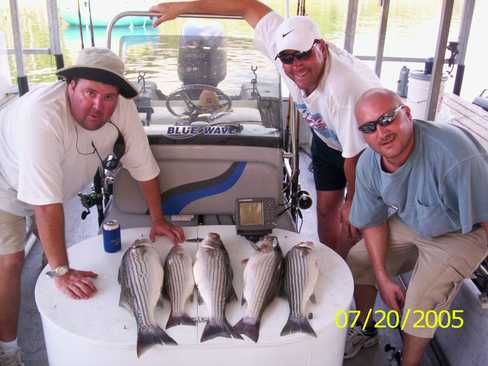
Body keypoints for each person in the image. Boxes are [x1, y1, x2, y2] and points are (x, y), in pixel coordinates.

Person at [149, 0, 381, 258]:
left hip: (370, 146)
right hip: (327, 137)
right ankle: (331, 258)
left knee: (355, 217)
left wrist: (352, 201)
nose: (297, 65)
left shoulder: (345, 90)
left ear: (322, 48)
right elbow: (246, 6)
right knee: (326, 211)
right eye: (287, 58)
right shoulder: (284, 41)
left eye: (304, 54)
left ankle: (350, 266)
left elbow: (356, 157)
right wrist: (182, 8)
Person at [0, 47, 185, 365]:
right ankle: (9, 351)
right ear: (69, 85)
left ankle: (54, 266)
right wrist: (62, 271)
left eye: (108, 96)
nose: (99, 105)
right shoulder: (41, 117)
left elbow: (144, 166)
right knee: (11, 262)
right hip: (5, 181)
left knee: (54, 252)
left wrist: (158, 218)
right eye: (89, 92)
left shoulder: (121, 108)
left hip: (54, 185)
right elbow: (46, 206)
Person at [345, 88, 488, 365]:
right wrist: (383, 277)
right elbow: (373, 222)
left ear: (407, 114)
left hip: (465, 231)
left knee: (419, 302)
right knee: (358, 259)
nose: (381, 132)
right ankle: (366, 329)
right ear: (363, 134)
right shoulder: (367, 164)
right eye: (370, 127)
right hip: (417, 218)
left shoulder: (455, 154)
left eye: (387, 119)